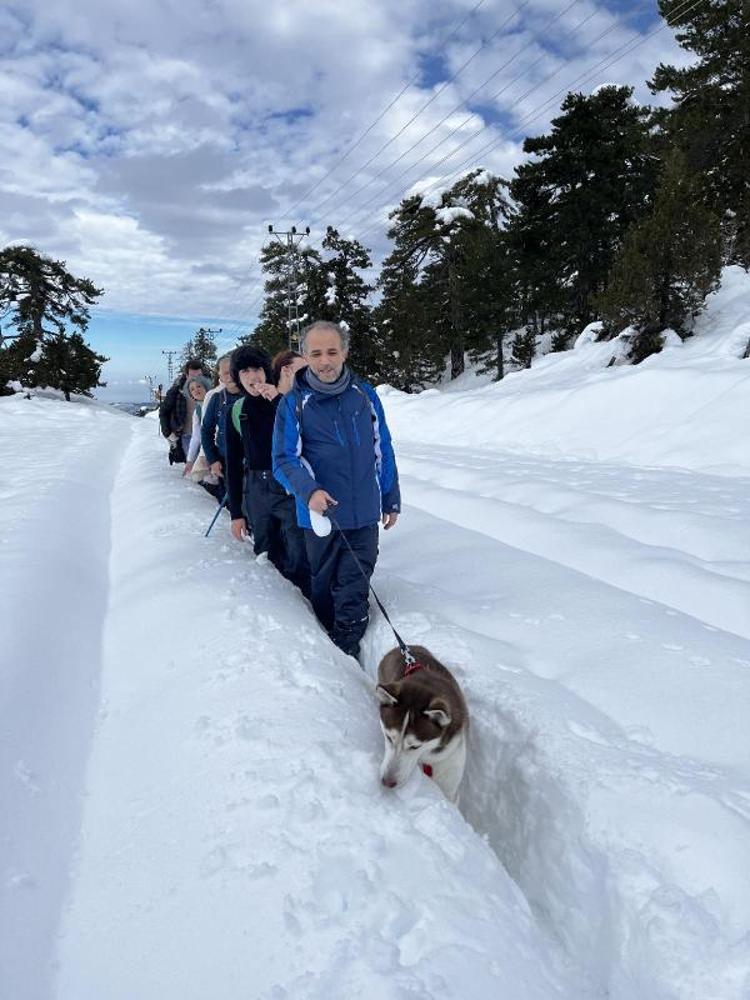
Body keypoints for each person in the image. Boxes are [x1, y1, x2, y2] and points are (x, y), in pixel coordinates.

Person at [272, 320, 400, 659]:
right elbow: (283, 460)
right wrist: (309, 491)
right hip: (320, 518)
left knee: (355, 583)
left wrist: (391, 497)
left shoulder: (365, 394)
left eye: (332, 351)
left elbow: (382, 448)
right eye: (316, 354)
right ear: (305, 356)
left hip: (364, 512)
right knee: (325, 586)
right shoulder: (293, 404)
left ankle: (347, 650)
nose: (325, 361)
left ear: (344, 352)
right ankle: (331, 648)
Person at [225, 345, 309, 594]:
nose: (253, 376)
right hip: (256, 489)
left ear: (267, 371)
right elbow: (233, 463)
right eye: (245, 371)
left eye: (257, 369)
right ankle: (277, 603)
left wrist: (278, 401)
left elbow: (308, 437)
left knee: (298, 550)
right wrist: (236, 513)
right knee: (265, 552)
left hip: (288, 485)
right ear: (238, 377)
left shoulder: (286, 402)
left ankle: (305, 602)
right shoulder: (237, 411)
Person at [200, 354, 242, 501]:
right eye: (225, 373)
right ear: (220, 378)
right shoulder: (216, 399)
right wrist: (213, 460)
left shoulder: (253, 396)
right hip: (226, 463)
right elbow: (206, 431)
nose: (230, 376)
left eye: (233, 371)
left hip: (251, 464)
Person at [159, 358, 205, 461]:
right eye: (192, 375)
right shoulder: (176, 392)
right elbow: (163, 412)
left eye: (199, 375)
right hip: (187, 436)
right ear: (186, 375)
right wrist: (168, 433)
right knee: (195, 467)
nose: (196, 378)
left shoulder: (209, 389)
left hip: (207, 436)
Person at [183, 375, 213, 478]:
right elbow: (196, 437)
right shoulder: (197, 411)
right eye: (192, 389)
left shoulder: (215, 401)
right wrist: (190, 461)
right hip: (210, 450)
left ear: (206, 387)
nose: (196, 390)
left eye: (199, 386)